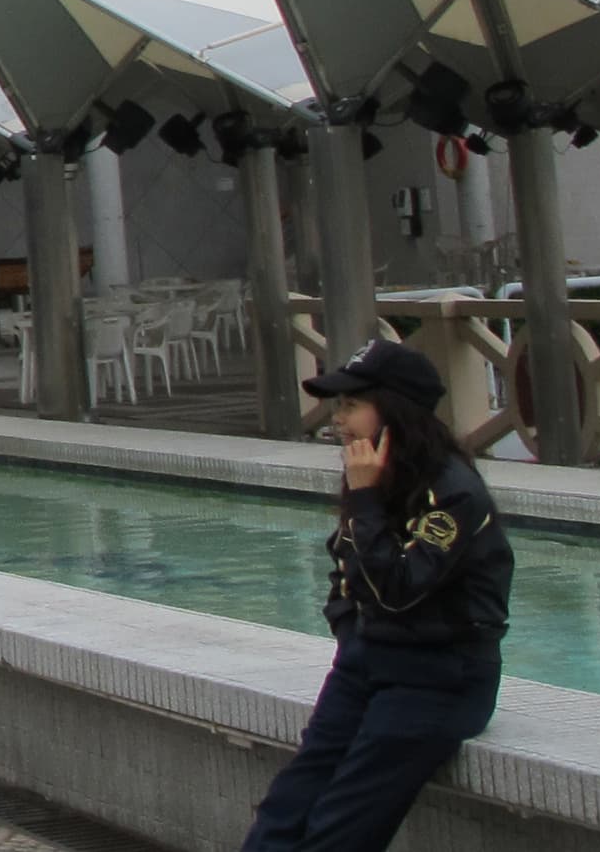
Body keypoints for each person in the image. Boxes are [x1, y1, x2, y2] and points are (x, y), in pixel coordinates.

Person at [241, 338, 514, 852]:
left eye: (351, 405)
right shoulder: (379, 477)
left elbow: (398, 589)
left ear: (395, 410)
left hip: (440, 677)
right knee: (288, 807)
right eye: (336, 406)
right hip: (370, 662)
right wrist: (352, 638)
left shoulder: (453, 493)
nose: (336, 420)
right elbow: (344, 577)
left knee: (340, 825)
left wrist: (364, 500)